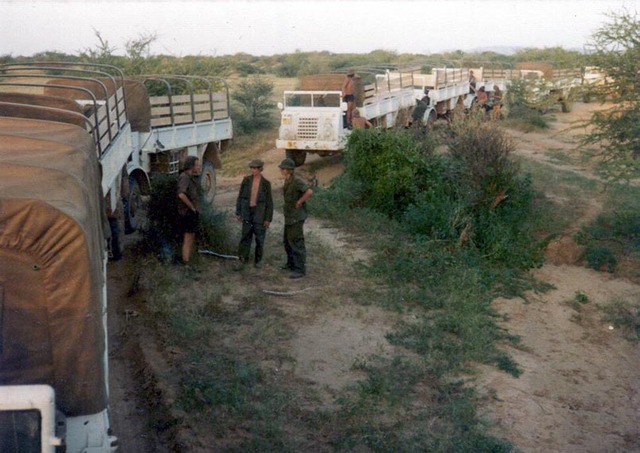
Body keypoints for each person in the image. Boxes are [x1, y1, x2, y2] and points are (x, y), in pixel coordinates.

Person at [234, 159, 273, 270]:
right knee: (245, 236)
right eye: (251, 168)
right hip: (247, 212)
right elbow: (240, 197)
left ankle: (258, 261)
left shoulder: (266, 184)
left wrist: (268, 219)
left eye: (255, 168)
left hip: (259, 214)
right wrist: (238, 211)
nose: (253, 170)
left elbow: (269, 202)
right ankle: (242, 258)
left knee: (260, 239)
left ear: (260, 169)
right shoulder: (246, 180)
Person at [278, 158, 313, 279]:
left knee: (296, 243)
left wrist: (299, 202)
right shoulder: (288, 180)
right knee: (287, 241)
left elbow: (309, 192)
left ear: (289, 170)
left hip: (296, 217)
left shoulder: (296, 181)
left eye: (283, 169)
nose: (281, 170)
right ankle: (291, 264)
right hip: (290, 216)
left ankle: (300, 269)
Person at [176, 156, 201, 265]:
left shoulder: (190, 177)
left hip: (191, 212)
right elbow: (181, 194)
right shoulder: (184, 177)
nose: (199, 167)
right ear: (191, 166)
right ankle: (186, 263)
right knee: (187, 238)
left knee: (191, 237)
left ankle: (189, 260)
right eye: (197, 165)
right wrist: (191, 207)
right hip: (187, 212)